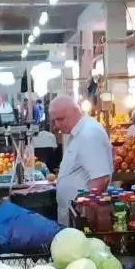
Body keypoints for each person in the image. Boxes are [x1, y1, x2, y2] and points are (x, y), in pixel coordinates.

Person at [48, 95, 113, 224]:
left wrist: (81, 211)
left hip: (82, 219)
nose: (57, 125)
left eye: (60, 119)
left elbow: (101, 178)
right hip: (73, 217)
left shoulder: (88, 134)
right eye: (54, 121)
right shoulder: (77, 133)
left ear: (75, 111)